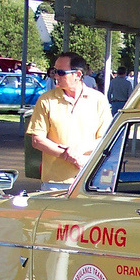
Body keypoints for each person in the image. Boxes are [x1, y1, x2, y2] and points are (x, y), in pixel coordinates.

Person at [26, 52, 112, 187]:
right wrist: (68, 156)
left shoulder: (98, 100)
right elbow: (37, 140)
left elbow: (106, 139)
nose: (55, 76)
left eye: (61, 72)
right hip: (54, 183)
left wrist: (79, 151)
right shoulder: (46, 100)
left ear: (78, 75)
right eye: (54, 71)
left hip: (90, 180)